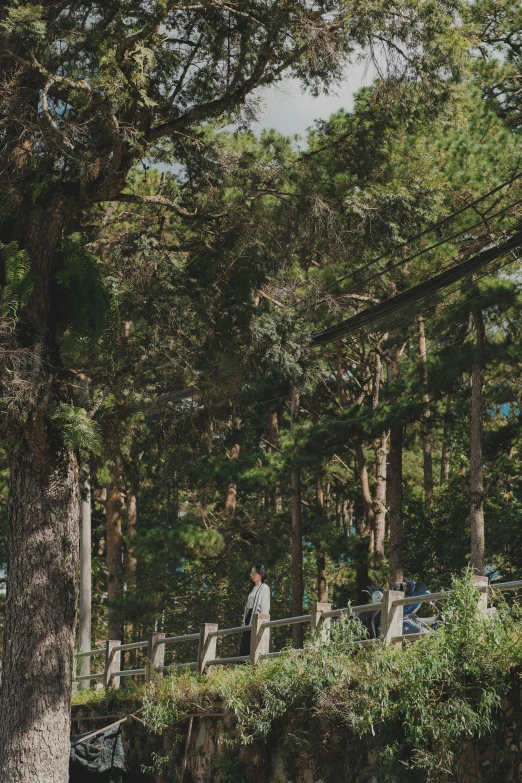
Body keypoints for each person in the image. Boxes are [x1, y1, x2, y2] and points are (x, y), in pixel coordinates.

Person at [239, 564, 270, 656]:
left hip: (258, 618)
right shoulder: (252, 589)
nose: (252, 575)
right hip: (249, 617)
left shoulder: (264, 587)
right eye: (251, 573)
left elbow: (265, 606)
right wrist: (243, 621)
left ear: (261, 574)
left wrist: (263, 621)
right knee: (245, 645)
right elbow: (248, 607)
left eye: (255, 573)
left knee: (256, 644)